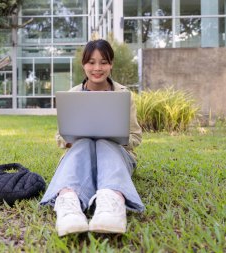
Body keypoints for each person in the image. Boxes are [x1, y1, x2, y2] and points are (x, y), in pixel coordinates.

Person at [40, 39, 145, 237]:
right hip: (81, 152)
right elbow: (59, 136)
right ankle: (68, 202)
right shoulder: (73, 95)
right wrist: (70, 140)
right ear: (84, 65)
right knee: (84, 143)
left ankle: (112, 200)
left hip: (116, 154)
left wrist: (118, 138)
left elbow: (136, 137)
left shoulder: (123, 95)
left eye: (104, 62)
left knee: (104, 143)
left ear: (111, 64)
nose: (97, 68)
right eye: (91, 62)